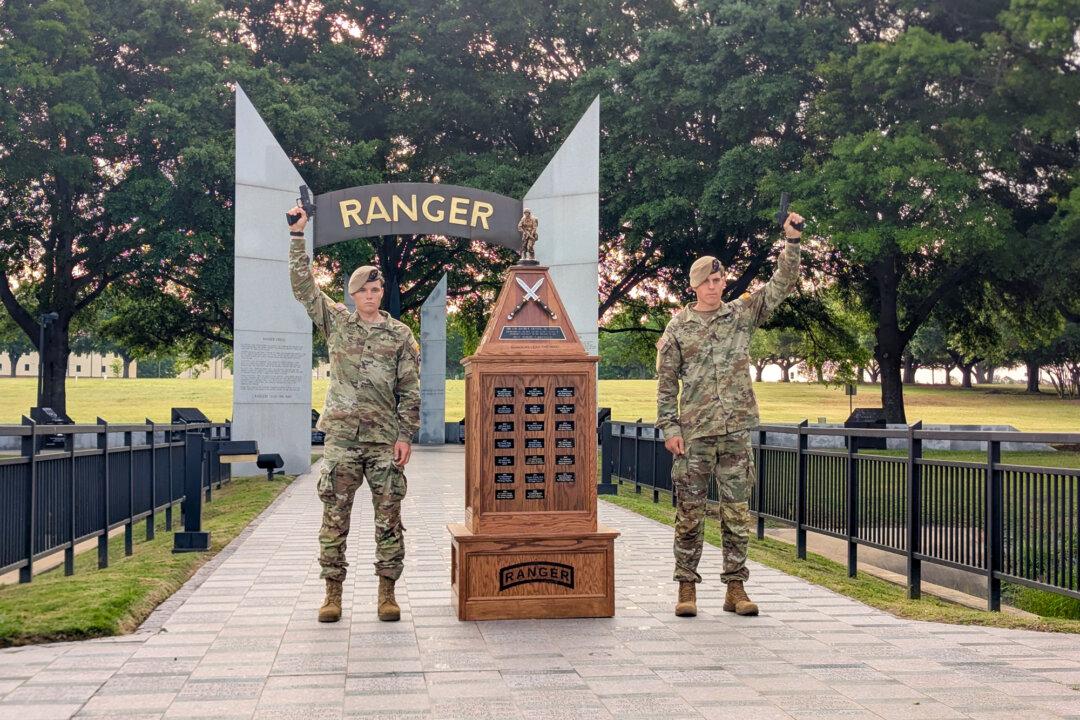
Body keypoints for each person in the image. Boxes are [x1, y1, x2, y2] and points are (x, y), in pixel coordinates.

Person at [655, 211, 804, 617]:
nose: (717, 285)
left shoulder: (739, 315)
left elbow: (780, 285)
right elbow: (667, 384)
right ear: (696, 285)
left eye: (720, 280)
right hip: (696, 435)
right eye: (710, 281)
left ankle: (735, 588)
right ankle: (686, 588)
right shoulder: (678, 328)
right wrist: (669, 426)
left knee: (737, 513)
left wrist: (790, 242)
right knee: (689, 513)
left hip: (736, 431)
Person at [286, 206, 420, 623]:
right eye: (363, 290)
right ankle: (332, 596)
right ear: (351, 294)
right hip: (342, 439)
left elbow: (409, 390)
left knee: (389, 521)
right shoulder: (336, 323)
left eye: (375, 290)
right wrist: (297, 236)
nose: (369, 295)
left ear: (381, 294)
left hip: (383, 441)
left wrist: (406, 435)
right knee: (334, 519)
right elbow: (304, 287)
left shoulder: (399, 334)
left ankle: (386, 595)